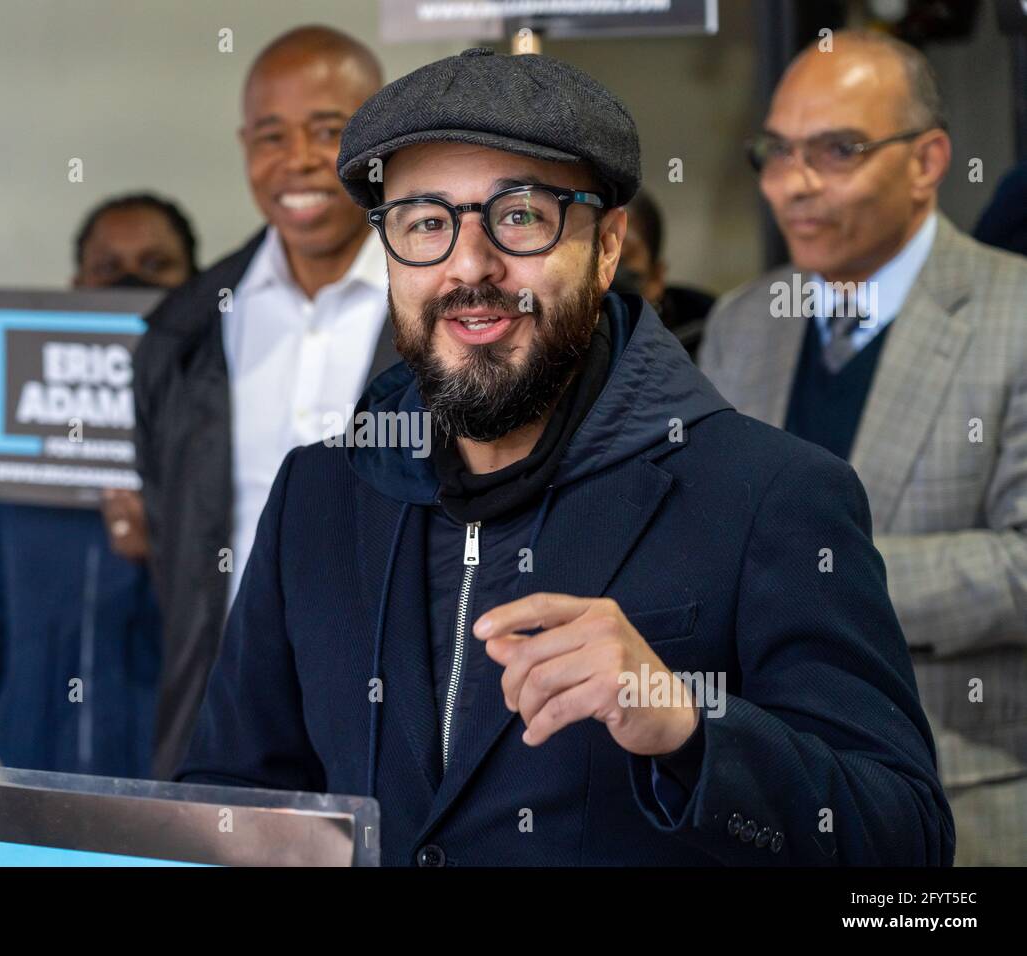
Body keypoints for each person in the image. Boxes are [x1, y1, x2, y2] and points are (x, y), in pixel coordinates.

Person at [174, 48, 954, 866]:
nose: (470, 267)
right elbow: (235, 797)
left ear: (608, 246)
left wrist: (686, 725)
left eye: (519, 216)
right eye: (425, 223)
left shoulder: (772, 495)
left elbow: (904, 842)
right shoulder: (319, 495)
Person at [699, 31, 1027, 865]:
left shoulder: (1014, 315)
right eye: (776, 153)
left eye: (837, 150)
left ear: (928, 161)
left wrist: (823, 580)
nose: (795, 184)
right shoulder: (744, 324)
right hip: (760, 795)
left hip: (963, 796)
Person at [133, 26, 401, 780]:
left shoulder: (446, 307)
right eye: (271, 135)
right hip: (225, 727)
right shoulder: (183, 331)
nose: (299, 161)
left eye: (329, 131)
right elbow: (172, 545)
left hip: (395, 727)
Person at [0, 192, 195, 777]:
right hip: (35, 775)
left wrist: (161, 549)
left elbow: (247, 611)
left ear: (194, 286)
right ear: (77, 283)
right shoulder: (21, 427)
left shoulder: (223, 427)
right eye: (107, 267)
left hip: (177, 781)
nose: (128, 281)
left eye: (154, 265)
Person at [610, 190, 714, 358]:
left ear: (655, 278)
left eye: (619, 257)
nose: (604, 269)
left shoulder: (705, 345)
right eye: (594, 252)